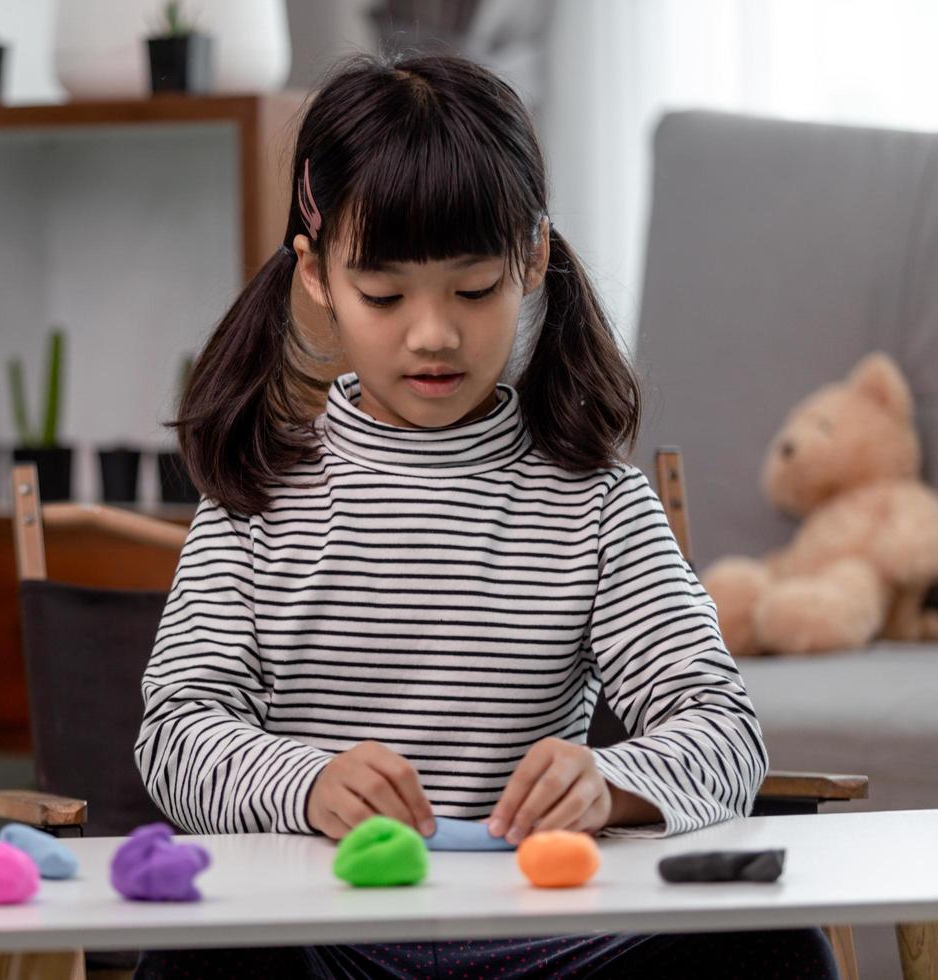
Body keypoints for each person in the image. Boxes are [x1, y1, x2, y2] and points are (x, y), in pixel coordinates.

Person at [131, 53, 837, 978]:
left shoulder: (598, 503)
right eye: (384, 296)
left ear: (533, 256)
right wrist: (304, 784)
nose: (433, 333)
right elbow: (177, 731)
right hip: (323, 937)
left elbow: (722, 726)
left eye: (472, 289)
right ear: (316, 274)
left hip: (561, 944)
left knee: (774, 946)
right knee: (196, 960)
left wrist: (613, 783)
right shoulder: (256, 495)